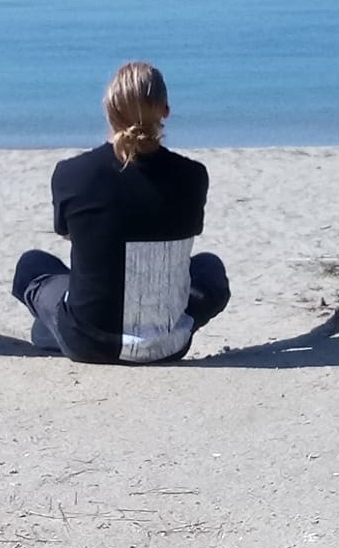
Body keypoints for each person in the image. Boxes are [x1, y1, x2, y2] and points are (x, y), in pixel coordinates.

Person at [12, 62, 230, 363]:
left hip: (89, 342)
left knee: (33, 265)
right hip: (168, 344)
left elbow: (67, 232)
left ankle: (58, 328)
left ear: (109, 109)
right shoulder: (193, 176)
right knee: (209, 268)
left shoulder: (72, 174)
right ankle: (65, 325)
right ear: (165, 111)